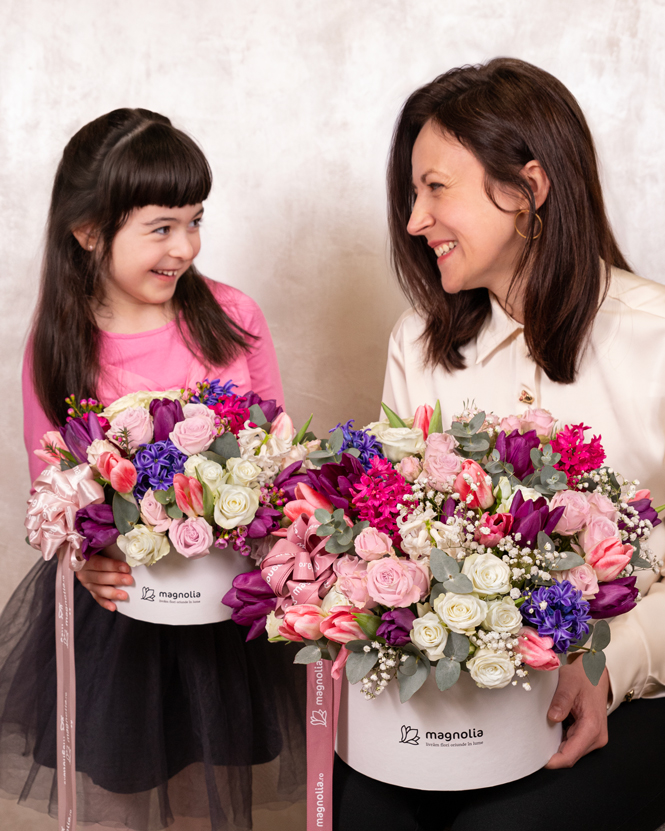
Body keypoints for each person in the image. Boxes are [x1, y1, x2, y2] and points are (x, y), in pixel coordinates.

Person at [333, 58, 665, 831]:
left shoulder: (653, 339)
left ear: (526, 189)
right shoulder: (415, 342)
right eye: (411, 194)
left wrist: (610, 664)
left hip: (637, 685)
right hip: (466, 695)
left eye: (435, 187)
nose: (414, 221)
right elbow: (389, 540)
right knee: (364, 813)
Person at [0, 109, 305, 831]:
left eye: (195, 221)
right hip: (118, 616)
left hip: (218, 614)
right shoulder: (60, 341)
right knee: (123, 794)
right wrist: (82, 561)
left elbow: (276, 454)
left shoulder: (232, 317)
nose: (185, 247)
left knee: (210, 792)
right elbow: (54, 491)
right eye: (161, 227)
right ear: (87, 230)